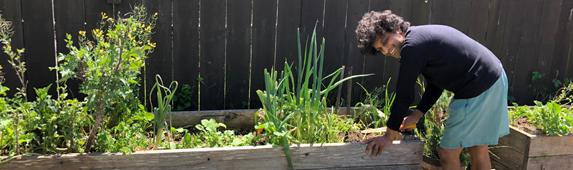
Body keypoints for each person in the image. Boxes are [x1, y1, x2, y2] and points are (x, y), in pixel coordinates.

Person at [355, 10, 509, 170]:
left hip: (477, 86)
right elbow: (436, 84)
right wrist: (417, 114)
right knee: (477, 148)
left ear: (397, 29)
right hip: (495, 77)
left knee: (448, 153)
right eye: (380, 49)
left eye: (386, 41)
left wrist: (388, 136)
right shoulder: (421, 39)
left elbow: (404, 96)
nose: (386, 50)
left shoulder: (412, 47)